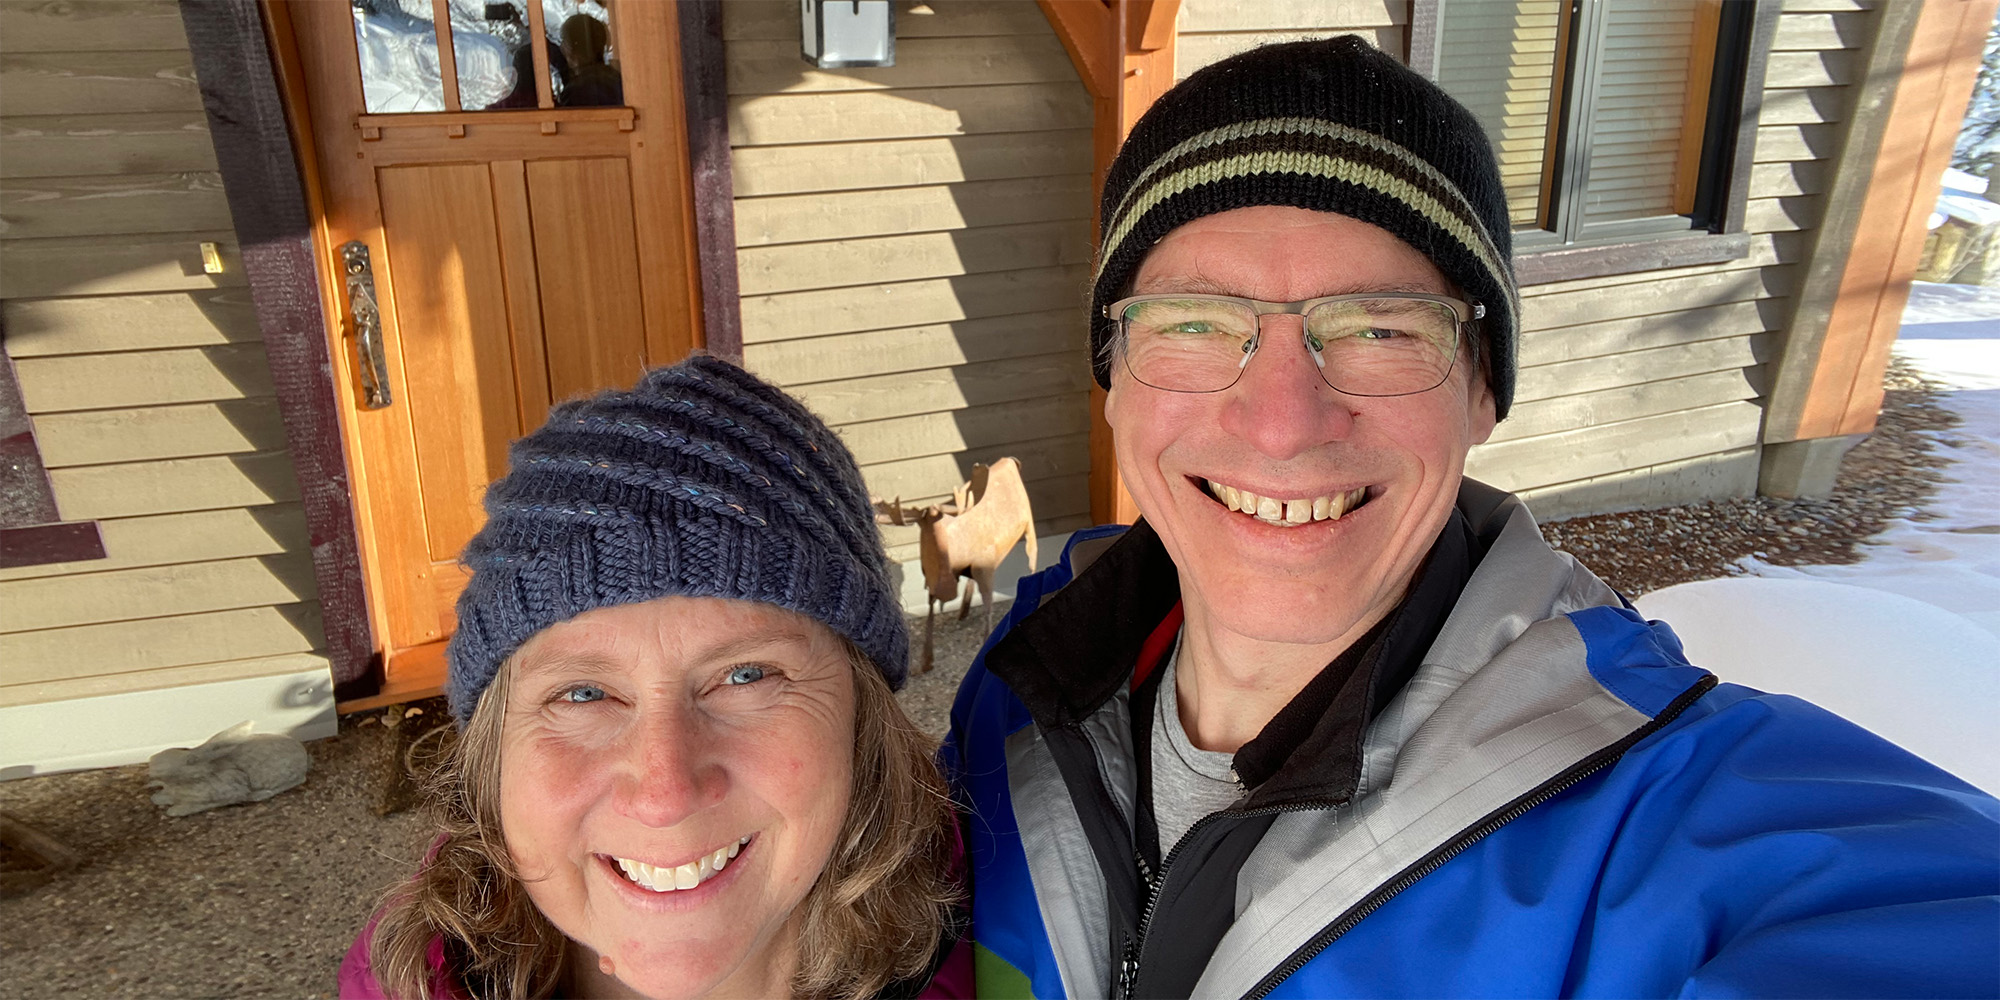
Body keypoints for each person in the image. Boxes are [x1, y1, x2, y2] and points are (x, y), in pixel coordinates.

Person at [945, 36, 2000, 999]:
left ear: (1482, 391)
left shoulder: (1670, 824)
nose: (1280, 425)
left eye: (1379, 330)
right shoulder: (1017, 693)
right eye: (1192, 323)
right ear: (1115, 379)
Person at [340, 357, 964, 999]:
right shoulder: (398, 982)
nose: (665, 796)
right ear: (494, 759)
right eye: (582, 694)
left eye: (746, 675)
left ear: (863, 716)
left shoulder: (1024, 947)